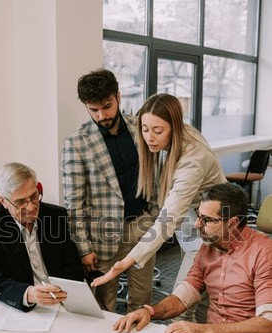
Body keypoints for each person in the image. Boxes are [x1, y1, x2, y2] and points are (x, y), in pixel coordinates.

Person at [93, 92, 226, 321]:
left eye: (158, 130)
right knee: (201, 296)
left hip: (214, 228)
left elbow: (169, 217)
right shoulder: (173, 140)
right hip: (193, 223)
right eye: (145, 129)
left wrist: (123, 264)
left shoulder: (193, 160)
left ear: (174, 127)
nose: (149, 137)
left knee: (181, 305)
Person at [113, 182, 272, 333]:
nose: (197, 224)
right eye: (198, 215)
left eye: (207, 220)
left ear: (232, 223)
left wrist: (205, 330)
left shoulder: (264, 252)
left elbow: (267, 324)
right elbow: (183, 297)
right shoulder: (207, 248)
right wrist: (150, 311)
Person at [61, 68, 157, 313]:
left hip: (143, 225)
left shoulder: (141, 128)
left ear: (118, 96)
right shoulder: (76, 143)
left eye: (107, 105)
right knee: (105, 307)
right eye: (94, 109)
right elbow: (74, 203)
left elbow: (155, 173)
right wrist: (84, 248)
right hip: (102, 236)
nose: (102, 115)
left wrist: (155, 216)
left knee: (143, 299)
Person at [0, 162, 84, 311]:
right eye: (20, 202)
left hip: (63, 300)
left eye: (34, 196)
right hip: (25, 305)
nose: (32, 207)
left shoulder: (56, 215)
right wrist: (28, 294)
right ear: (3, 201)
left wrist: (65, 294)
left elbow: (72, 264)